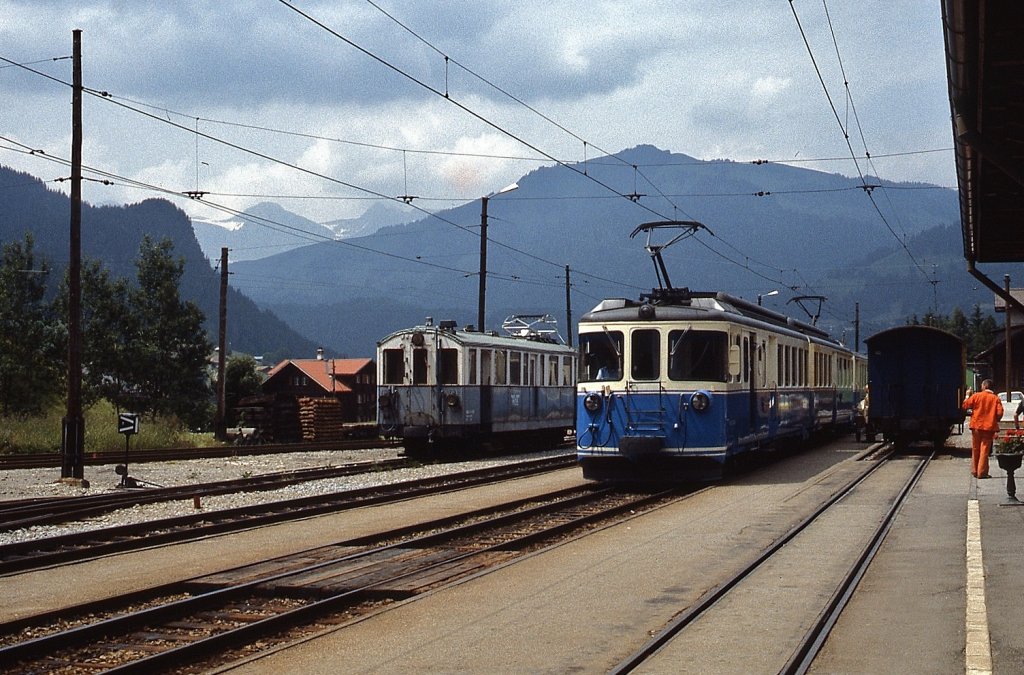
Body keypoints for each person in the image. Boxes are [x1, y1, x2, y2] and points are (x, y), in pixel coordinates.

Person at [962, 380, 1003, 479]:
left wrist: (967, 395)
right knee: (984, 450)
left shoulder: (977, 396)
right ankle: (982, 472)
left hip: (976, 426)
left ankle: (974, 470)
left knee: (975, 448)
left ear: (985, 386)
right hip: (988, 428)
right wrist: (994, 419)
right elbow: (999, 413)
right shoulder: (996, 399)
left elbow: (965, 405)